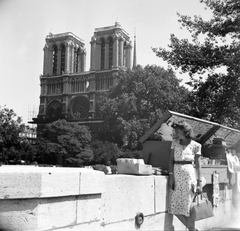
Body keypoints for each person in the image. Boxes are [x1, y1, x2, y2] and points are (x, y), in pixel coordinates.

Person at [168, 120, 202, 231]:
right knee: (173, 208)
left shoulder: (196, 146)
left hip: (189, 179)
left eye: (178, 131)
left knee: (189, 207)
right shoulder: (174, 143)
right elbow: (170, 161)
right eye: (175, 131)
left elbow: (198, 165)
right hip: (177, 178)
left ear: (185, 131)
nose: (176, 133)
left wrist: (199, 182)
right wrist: (171, 176)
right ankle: (193, 230)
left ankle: (192, 229)